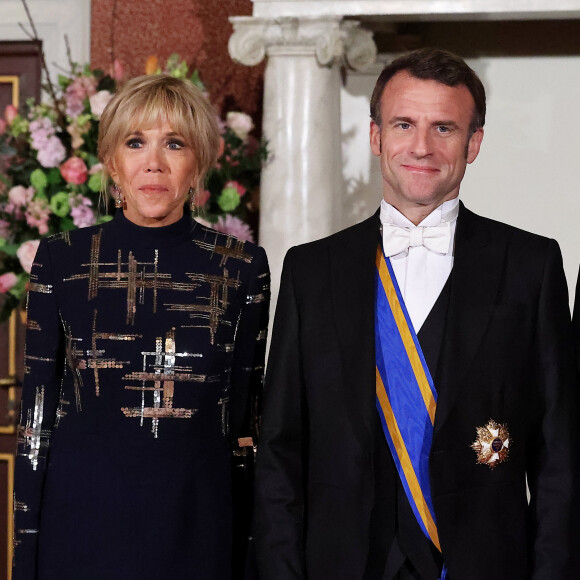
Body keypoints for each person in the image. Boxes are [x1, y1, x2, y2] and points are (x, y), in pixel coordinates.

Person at [254, 48, 579, 579]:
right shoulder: (312, 270)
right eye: (404, 124)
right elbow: (280, 453)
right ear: (377, 136)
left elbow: (558, 456)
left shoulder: (530, 265)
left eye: (444, 128)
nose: (422, 147)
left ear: (473, 143)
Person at [13, 74, 270, 580]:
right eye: (136, 143)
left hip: (198, 526)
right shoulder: (61, 260)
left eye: (174, 143)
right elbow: (36, 421)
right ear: (112, 162)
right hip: (79, 526)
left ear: (198, 165)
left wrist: (248, 552)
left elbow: (244, 426)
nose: (154, 161)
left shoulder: (240, 267)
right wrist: (26, 558)